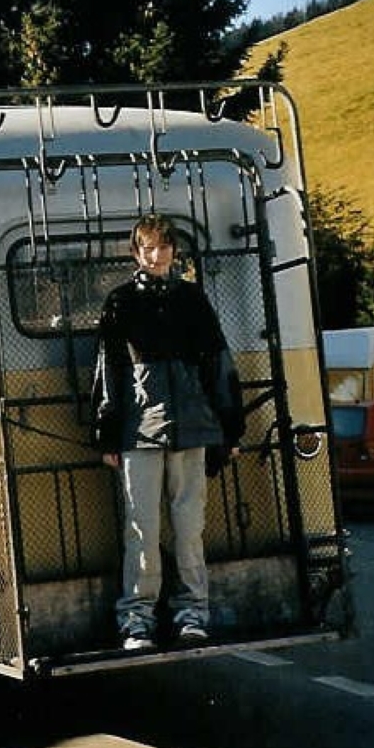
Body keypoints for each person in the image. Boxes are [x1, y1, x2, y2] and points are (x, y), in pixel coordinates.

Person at [91, 214, 244, 651]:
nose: (157, 255)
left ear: (174, 251)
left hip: (192, 431)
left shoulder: (192, 300)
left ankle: (192, 615)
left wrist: (230, 429)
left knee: (189, 529)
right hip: (140, 433)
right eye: (148, 248)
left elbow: (218, 365)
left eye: (163, 247)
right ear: (136, 253)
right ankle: (136, 622)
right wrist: (107, 434)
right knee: (141, 531)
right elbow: (109, 371)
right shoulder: (120, 302)